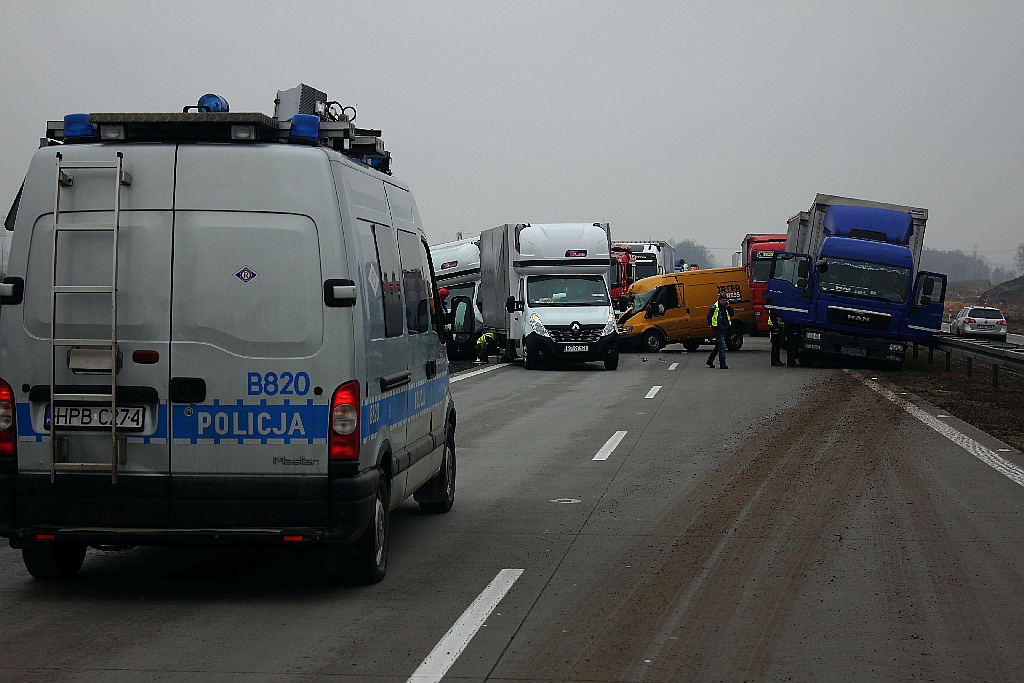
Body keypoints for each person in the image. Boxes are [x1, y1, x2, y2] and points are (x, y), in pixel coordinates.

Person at [706, 294, 734, 369]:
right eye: (723, 300)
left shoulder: (726, 307)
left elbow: (732, 314)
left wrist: (729, 307)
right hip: (718, 329)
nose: (724, 302)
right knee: (722, 345)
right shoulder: (714, 307)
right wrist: (713, 326)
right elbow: (709, 317)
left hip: (725, 328)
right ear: (719, 300)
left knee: (718, 345)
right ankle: (722, 363)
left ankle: (710, 360)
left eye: (726, 300)